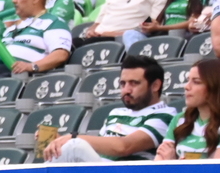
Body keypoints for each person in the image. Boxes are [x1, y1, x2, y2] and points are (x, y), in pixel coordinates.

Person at [46, 55, 174, 162]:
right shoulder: (116, 113)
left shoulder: (165, 115)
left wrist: (73, 137)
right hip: (100, 172)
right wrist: (60, 140)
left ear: (155, 86)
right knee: (62, 148)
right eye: (123, 83)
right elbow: (100, 148)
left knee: (75, 146)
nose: (126, 90)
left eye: (134, 83)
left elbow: (124, 147)